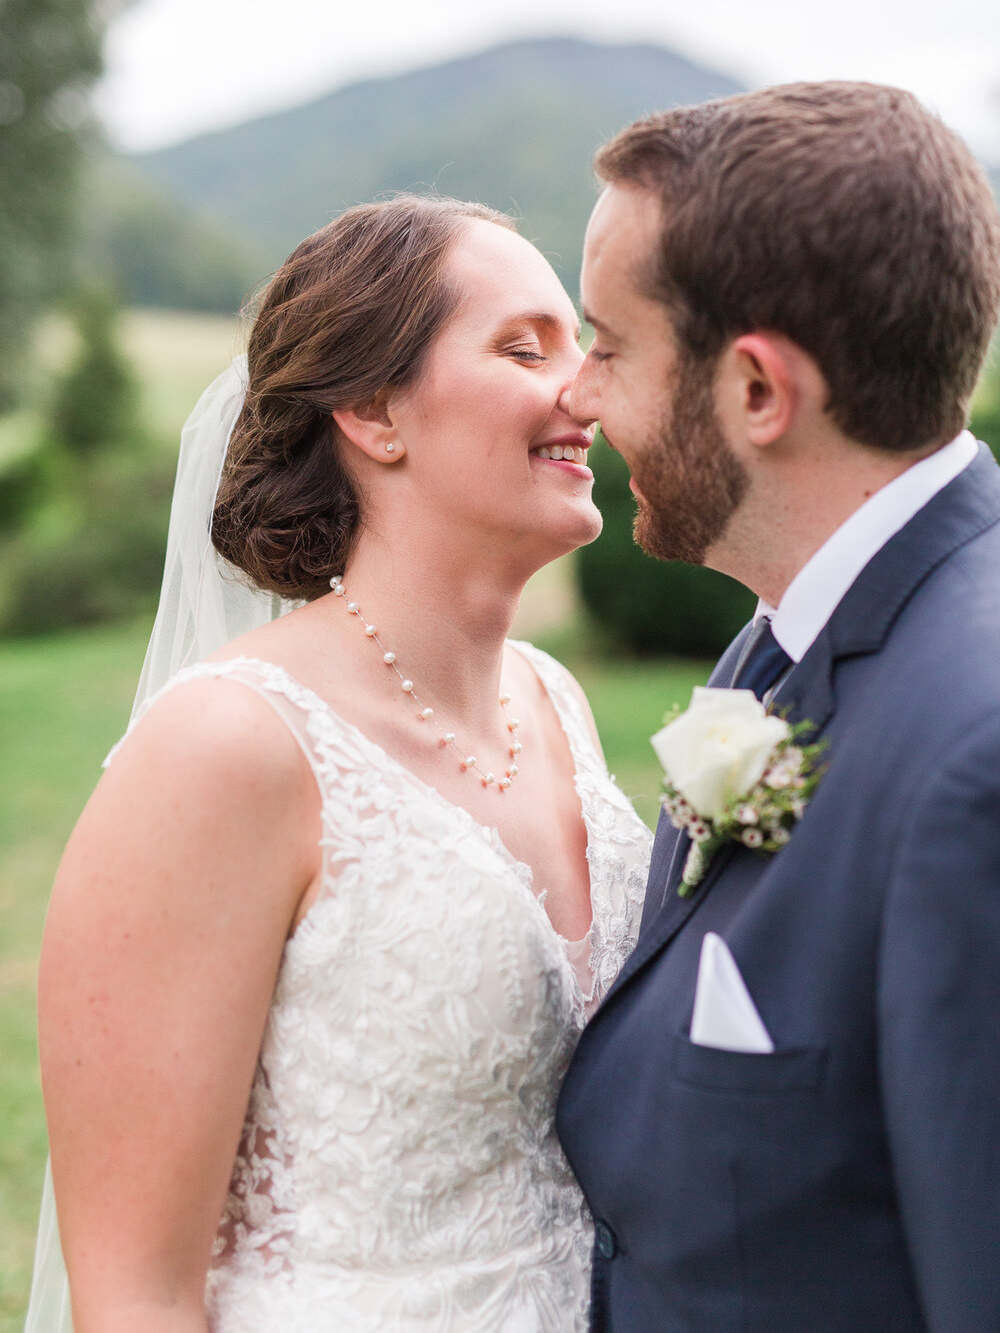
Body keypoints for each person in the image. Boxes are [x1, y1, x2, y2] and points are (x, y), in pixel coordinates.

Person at [28, 194, 652, 1333]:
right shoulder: (227, 746)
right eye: (525, 347)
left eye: (584, 346)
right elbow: (134, 1295)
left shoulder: (554, 700)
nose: (588, 391)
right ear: (372, 410)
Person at [556, 82, 1000, 1332]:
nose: (580, 399)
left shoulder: (976, 755)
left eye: (608, 345)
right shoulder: (785, 640)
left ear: (757, 390)